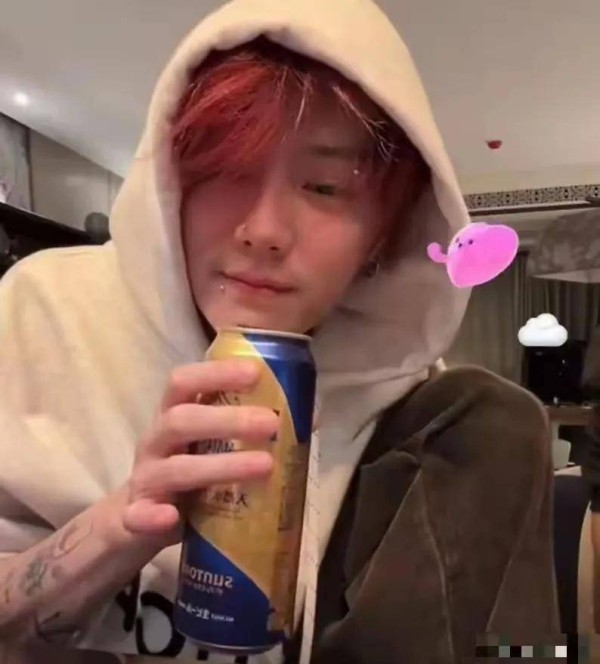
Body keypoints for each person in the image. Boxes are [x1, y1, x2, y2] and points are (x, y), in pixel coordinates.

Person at [0, 0, 559, 662]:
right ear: (173, 182)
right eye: (228, 170)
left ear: (384, 234)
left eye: (324, 187)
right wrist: (122, 524)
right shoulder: (41, 312)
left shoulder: (441, 432)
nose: (263, 231)